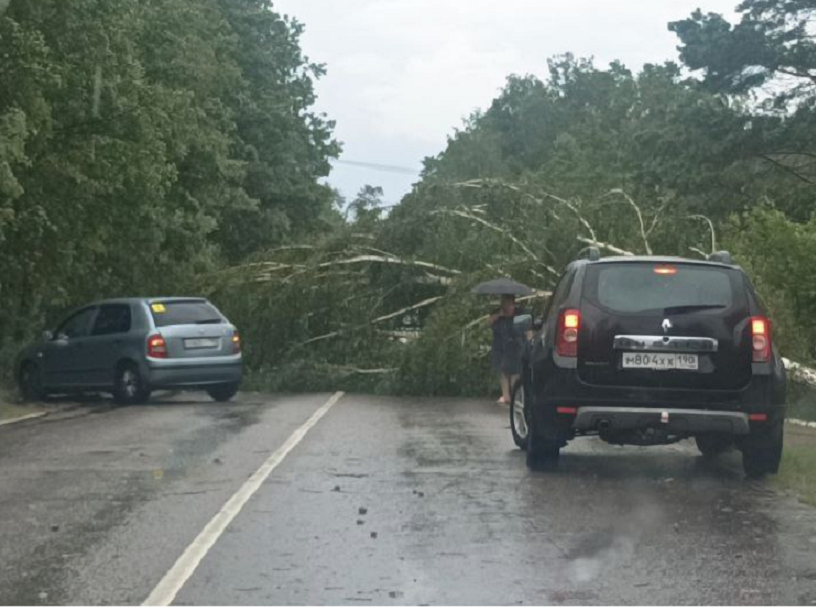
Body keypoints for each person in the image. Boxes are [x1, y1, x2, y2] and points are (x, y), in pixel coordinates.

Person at [489, 294, 525, 405]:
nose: (506, 305)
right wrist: (498, 315)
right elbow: (488, 323)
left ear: (512, 303)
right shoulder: (497, 312)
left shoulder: (519, 313)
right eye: (504, 302)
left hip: (515, 344)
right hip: (500, 345)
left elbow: (527, 328)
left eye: (508, 303)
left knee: (515, 372)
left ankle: (515, 395)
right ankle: (506, 396)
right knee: (502, 371)